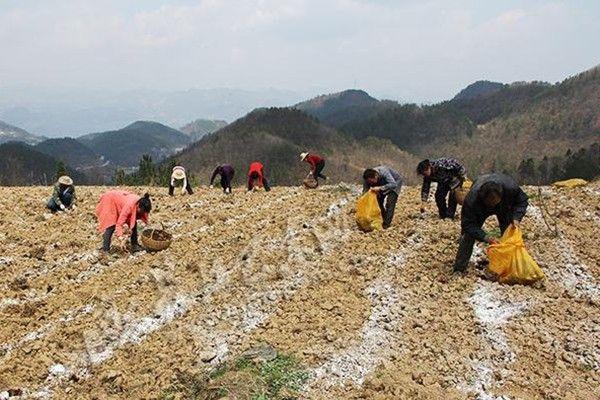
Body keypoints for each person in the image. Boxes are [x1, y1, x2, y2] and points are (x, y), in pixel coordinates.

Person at [453, 173, 529, 273]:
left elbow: (522, 201)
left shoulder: (510, 189)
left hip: (503, 207)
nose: (493, 205)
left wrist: (516, 217)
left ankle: (508, 266)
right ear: (483, 198)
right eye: (490, 203)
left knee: (509, 232)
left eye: (495, 202)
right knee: (468, 236)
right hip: (481, 208)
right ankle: (459, 268)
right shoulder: (472, 200)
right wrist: (485, 237)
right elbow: (468, 224)